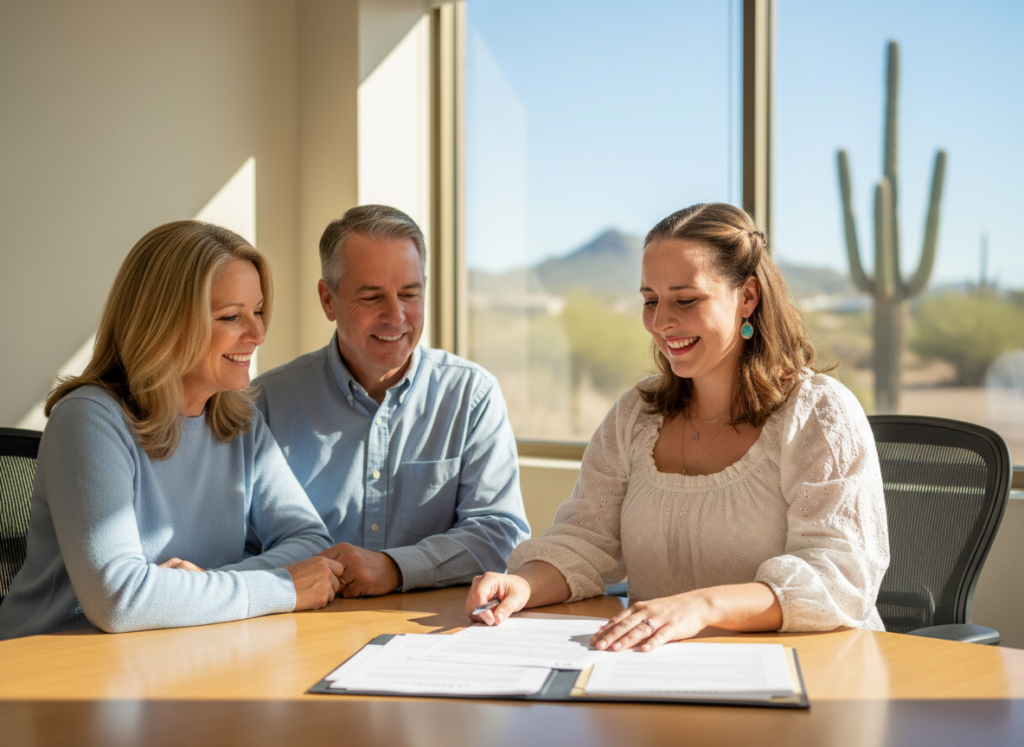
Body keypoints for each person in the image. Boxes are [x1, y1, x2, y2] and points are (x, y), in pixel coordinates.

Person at [465, 203, 889, 652]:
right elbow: (585, 539)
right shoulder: (635, 415)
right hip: (660, 677)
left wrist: (700, 607)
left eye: (686, 300)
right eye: (651, 301)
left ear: (747, 297)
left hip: (807, 677)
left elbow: (837, 577)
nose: (661, 321)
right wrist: (524, 586)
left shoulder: (818, 413)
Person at [0, 221, 343, 639]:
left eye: (257, 311)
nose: (257, 334)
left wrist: (197, 588)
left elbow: (311, 541)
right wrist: (280, 587)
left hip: (171, 652)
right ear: (165, 323)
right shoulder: (88, 420)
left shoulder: (239, 421)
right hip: (52, 668)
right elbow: (119, 600)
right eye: (232, 316)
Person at [254, 205, 530, 598]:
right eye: (371, 297)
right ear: (327, 300)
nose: (395, 316)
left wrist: (394, 569)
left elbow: (499, 535)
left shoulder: (471, 395)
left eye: (409, 294)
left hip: (428, 632)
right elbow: (242, 542)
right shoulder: (265, 405)